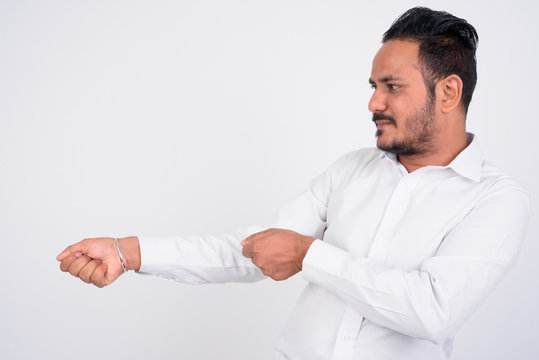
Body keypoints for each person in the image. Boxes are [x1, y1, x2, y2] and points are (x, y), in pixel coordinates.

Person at [57, 7, 529, 360]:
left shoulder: (495, 200)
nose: (373, 104)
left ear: (448, 92)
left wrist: (310, 255)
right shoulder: (352, 169)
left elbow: (432, 309)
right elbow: (259, 249)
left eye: (392, 86)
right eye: (372, 86)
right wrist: (128, 251)